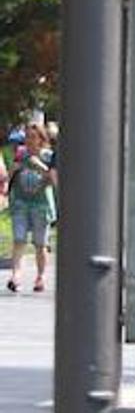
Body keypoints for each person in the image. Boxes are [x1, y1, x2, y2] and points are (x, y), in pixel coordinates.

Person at [7, 123, 57, 293]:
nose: (28, 140)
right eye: (27, 136)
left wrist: (40, 166)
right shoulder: (20, 154)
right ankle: (16, 276)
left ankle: (40, 277)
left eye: (33, 137)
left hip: (41, 205)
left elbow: (53, 179)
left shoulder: (49, 156)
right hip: (20, 203)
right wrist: (13, 170)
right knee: (19, 239)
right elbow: (9, 177)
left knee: (40, 244)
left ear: (41, 139)